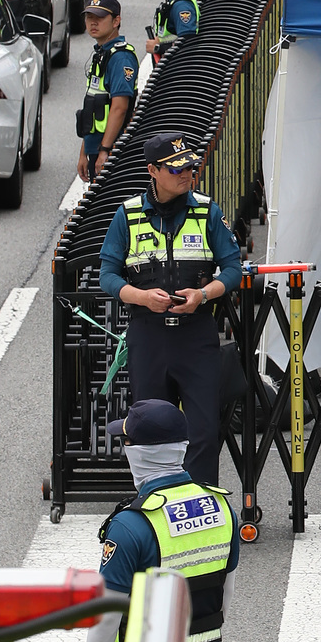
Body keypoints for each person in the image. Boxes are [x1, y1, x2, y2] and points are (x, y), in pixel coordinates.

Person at [97, 129, 245, 486]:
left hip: (196, 337)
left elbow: (232, 269)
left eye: (189, 168)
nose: (186, 174)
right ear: (152, 171)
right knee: (151, 432)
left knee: (204, 432)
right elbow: (107, 276)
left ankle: (201, 506)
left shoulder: (207, 211)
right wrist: (142, 297)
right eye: (176, 169)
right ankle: (155, 507)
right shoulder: (128, 215)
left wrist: (203, 295)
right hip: (148, 338)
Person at [84, 399, 236, 642]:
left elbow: (107, 616)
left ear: (139, 453)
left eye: (126, 442)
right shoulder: (220, 507)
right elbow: (224, 594)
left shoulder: (130, 526)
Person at [76, 0, 139, 183]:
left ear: (116, 21)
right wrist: (84, 151)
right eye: (89, 17)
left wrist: (105, 151)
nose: (93, 23)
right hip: (97, 147)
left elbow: (119, 108)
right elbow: (91, 109)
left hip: (112, 148)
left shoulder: (120, 58)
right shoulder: (102, 53)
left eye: (100, 18)